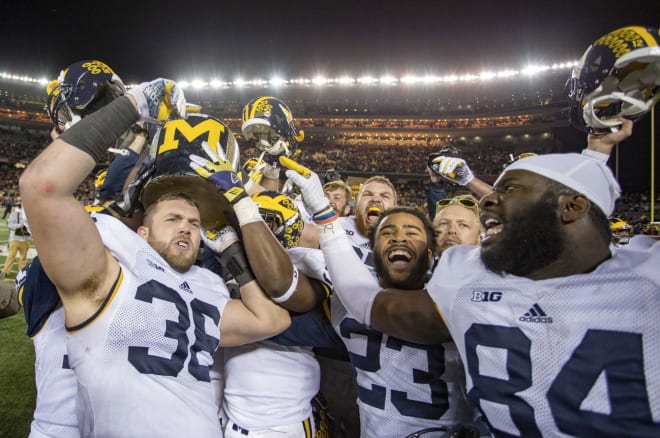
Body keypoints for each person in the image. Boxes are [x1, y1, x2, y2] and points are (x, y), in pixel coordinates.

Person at [306, 121, 660, 435]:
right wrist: (326, 221)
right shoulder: (469, 275)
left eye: (509, 191)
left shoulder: (647, 276)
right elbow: (370, 303)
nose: (488, 201)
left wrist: (595, 155)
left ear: (573, 207)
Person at [19, 78, 291, 437]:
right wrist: (136, 103)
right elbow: (42, 187)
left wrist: (229, 248)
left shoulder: (205, 285)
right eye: (173, 219)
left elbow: (273, 319)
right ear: (141, 231)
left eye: (195, 223)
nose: (186, 229)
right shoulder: (112, 272)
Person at [0, 196, 30, 280]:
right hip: (15, 239)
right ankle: (5, 271)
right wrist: (19, 226)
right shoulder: (15, 212)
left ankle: (21, 273)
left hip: (25, 239)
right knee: (11, 256)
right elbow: (9, 224)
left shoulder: (30, 213)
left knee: (23, 258)